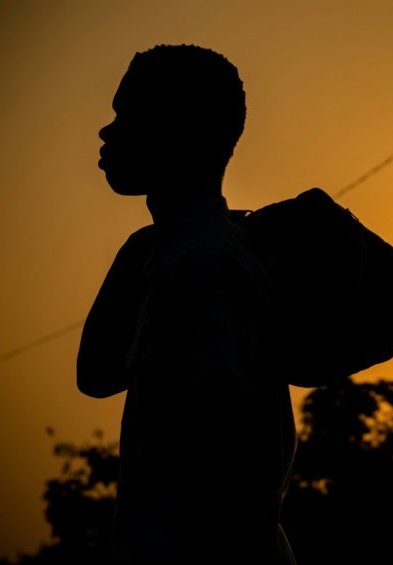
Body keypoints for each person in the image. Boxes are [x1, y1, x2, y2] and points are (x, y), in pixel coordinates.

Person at [77, 44, 297, 564]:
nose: (107, 132)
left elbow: (226, 438)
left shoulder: (204, 263)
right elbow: (96, 374)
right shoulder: (170, 252)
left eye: (127, 115)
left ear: (179, 132)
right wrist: (138, 254)